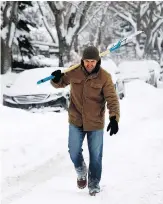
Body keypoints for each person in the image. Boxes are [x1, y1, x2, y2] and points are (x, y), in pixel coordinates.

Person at [50, 46, 120, 196]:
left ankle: (94, 184)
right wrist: (56, 79)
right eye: (87, 61)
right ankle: (81, 170)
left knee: (96, 156)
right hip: (76, 119)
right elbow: (60, 82)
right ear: (82, 61)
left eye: (92, 61)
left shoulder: (104, 77)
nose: (89, 64)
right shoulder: (74, 71)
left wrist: (114, 118)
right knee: (73, 151)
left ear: (98, 61)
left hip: (95, 122)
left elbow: (112, 99)